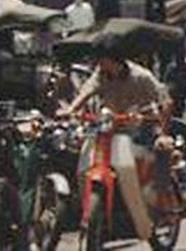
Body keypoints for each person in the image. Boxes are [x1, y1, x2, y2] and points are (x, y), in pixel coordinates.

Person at [63, 38, 172, 243]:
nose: (99, 65)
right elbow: (86, 91)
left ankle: (146, 222)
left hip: (139, 129)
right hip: (108, 130)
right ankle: (94, 219)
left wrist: (162, 131)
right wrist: (71, 110)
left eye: (102, 60)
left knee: (140, 168)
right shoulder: (101, 74)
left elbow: (165, 101)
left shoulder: (141, 76)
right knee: (83, 168)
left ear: (115, 60)